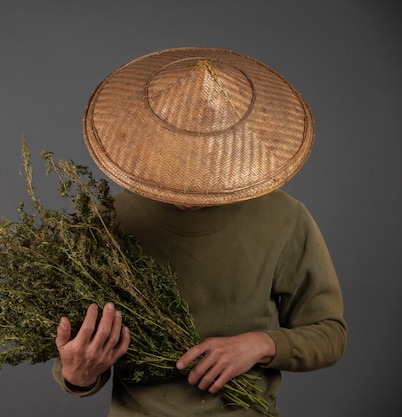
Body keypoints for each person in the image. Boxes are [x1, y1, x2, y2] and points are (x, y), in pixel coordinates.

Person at [52, 47, 347, 416]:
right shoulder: (106, 223)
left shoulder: (285, 219)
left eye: (203, 165)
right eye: (176, 160)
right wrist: (77, 374)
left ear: (235, 150)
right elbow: (77, 354)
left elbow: (330, 334)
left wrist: (260, 344)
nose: (186, 188)